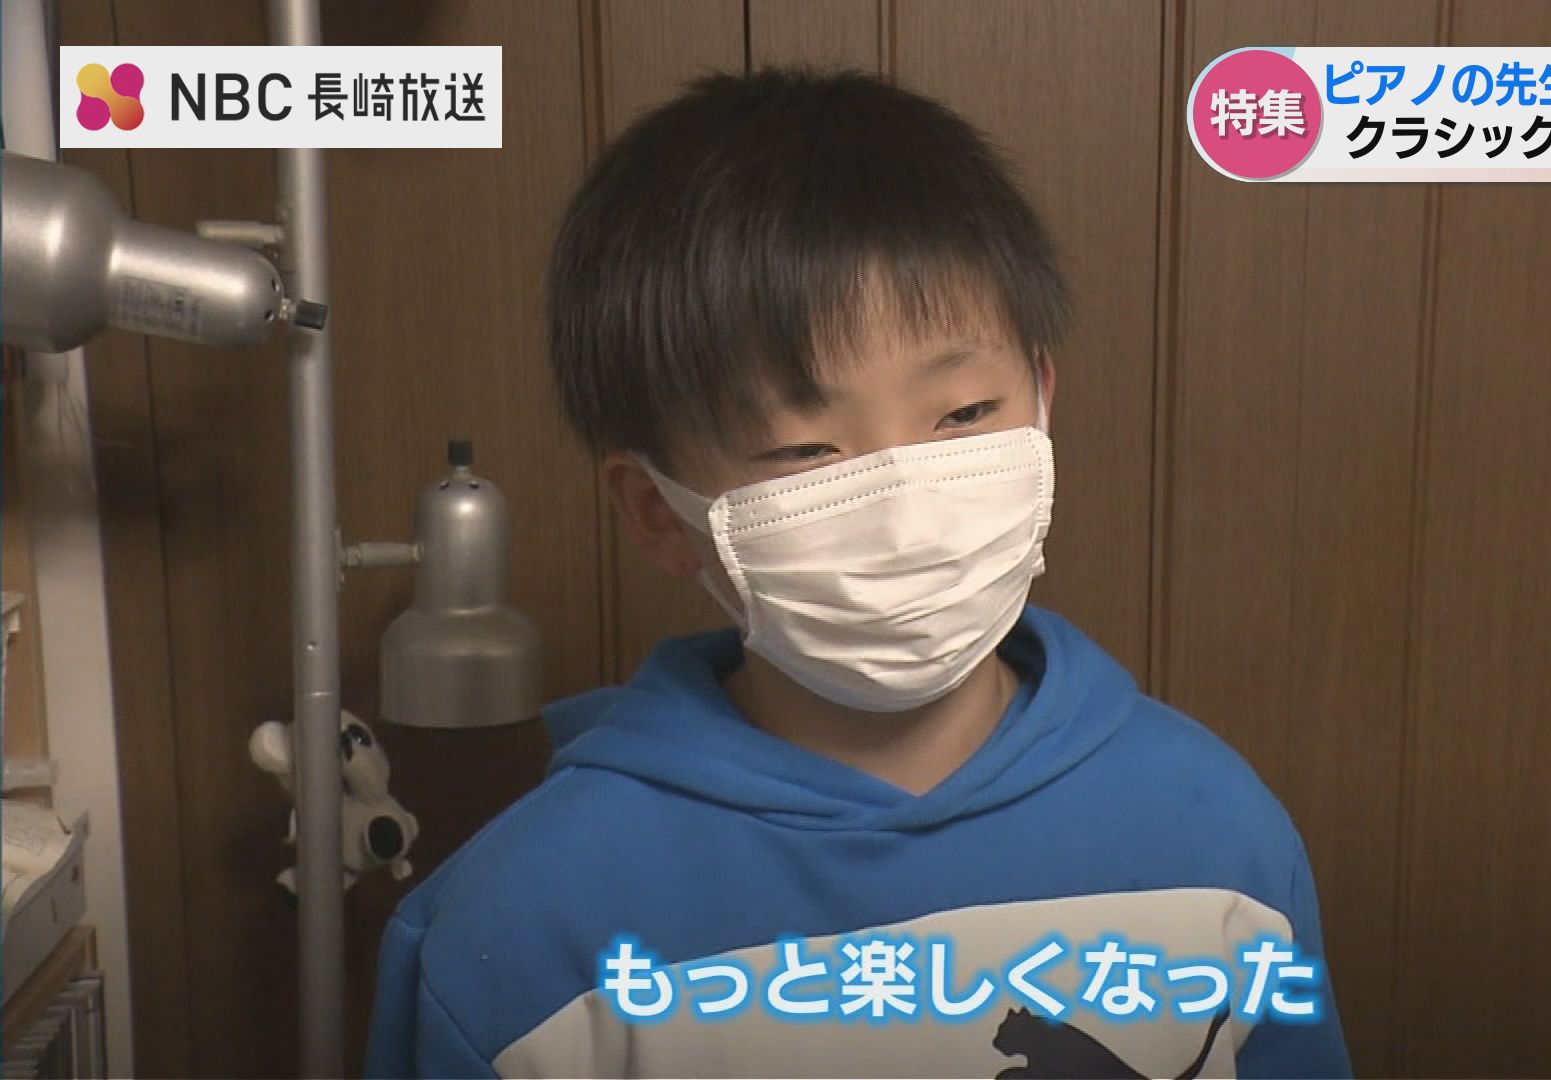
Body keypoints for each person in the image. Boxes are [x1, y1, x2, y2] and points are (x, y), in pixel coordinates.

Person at [364, 65, 1351, 1079]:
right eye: (804, 449)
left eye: (965, 414)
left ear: (1042, 402)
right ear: (660, 510)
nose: (906, 502)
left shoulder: (1215, 833)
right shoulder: (525, 928)